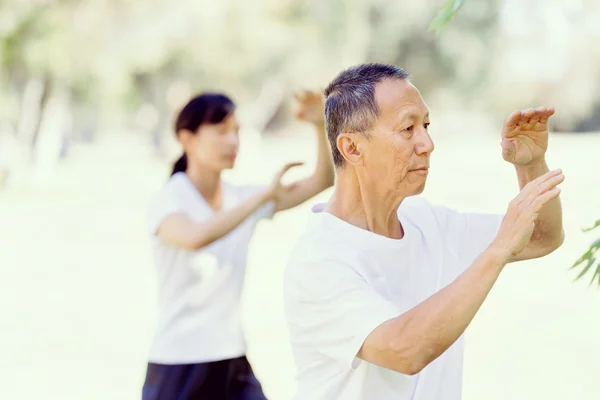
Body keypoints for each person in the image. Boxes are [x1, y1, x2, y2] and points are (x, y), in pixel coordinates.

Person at [283, 63, 565, 400]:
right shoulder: (319, 261)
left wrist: (530, 165)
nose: (427, 143)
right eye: (408, 129)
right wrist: (497, 250)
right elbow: (403, 350)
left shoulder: (428, 222)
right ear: (352, 148)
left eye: (426, 125)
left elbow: (541, 236)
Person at [142, 91, 334, 400]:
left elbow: (322, 180)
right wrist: (262, 198)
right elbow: (195, 237)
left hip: (232, 360)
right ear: (186, 138)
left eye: (236, 131)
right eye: (221, 131)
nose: (233, 141)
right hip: (178, 364)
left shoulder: (239, 198)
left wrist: (318, 125)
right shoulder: (169, 199)